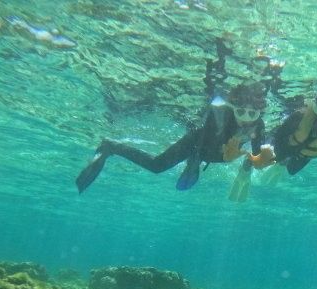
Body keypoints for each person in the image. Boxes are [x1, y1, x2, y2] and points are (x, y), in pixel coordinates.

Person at [75, 42, 275, 194]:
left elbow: (258, 156)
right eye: (241, 111)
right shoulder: (221, 116)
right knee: (157, 166)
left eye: (252, 114)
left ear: (259, 113)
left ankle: (193, 163)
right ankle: (111, 146)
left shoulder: (258, 126)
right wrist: (217, 157)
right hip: (196, 144)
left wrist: (254, 159)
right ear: (233, 108)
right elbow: (208, 142)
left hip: (213, 155)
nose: (245, 118)